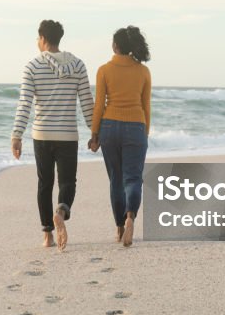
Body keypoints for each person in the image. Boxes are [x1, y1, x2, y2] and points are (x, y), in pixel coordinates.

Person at [12, 20, 94, 250]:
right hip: (67, 135)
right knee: (68, 182)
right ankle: (61, 210)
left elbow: (24, 104)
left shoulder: (32, 66)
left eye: (38, 38)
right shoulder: (78, 65)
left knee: (44, 184)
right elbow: (87, 102)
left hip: (42, 135)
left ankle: (47, 235)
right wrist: (94, 131)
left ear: (43, 39)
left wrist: (17, 134)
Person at [88, 26, 151, 247]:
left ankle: (120, 228)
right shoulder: (143, 72)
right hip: (136, 126)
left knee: (116, 180)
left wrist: (94, 134)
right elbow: (146, 106)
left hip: (110, 127)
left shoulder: (104, 70)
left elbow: (99, 107)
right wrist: (145, 132)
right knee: (133, 178)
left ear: (115, 46)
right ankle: (131, 216)